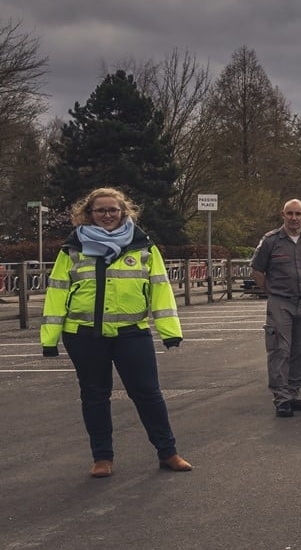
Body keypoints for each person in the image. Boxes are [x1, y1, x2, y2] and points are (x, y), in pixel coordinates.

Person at [40, 187, 192, 478]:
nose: (108, 215)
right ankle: (102, 458)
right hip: (83, 335)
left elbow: (161, 290)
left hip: (132, 333)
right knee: (95, 396)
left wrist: (170, 331)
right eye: (101, 210)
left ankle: (168, 452)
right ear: (89, 214)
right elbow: (57, 293)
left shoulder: (144, 247)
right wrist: (49, 339)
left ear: (124, 212)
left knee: (148, 393)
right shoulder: (73, 248)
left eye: (113, 210)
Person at [250, 199, 301, 418]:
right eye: (290, 213)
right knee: (280, 349)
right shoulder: (270, 241)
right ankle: (281, 399)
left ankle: (293, 394)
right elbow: (257, 270)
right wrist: (272, 292)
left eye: (298, 214)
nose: (294, 218)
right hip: (281, 302)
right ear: (282, 215)